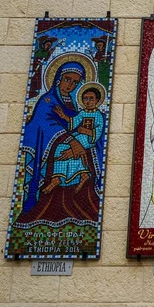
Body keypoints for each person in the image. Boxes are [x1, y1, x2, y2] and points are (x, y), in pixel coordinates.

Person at [14, 61, 102, 227]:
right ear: (58, 79)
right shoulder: (47, 100)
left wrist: (81, 143)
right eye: (67, 79)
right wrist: (72, 141)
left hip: (81, 145)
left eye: (75, 82)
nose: (70, 85)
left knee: (84, 159)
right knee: (62, 155)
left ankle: (80, 203)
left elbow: (85, 125)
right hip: (54, 145)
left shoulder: (78, 104)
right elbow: (45, 124)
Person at [52, 86, 106, 193]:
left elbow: (98, 132)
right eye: (85, 98)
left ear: (97, 100)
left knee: (75, 149)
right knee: (60, 147)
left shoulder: (98, 115)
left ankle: (83, 174)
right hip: (79, 136)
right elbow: (74, 122)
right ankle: (58, 178)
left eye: (91, 98)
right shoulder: (82, 113)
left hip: (89, 139)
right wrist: (63, 116)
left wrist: (86, 131)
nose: (88, 101)